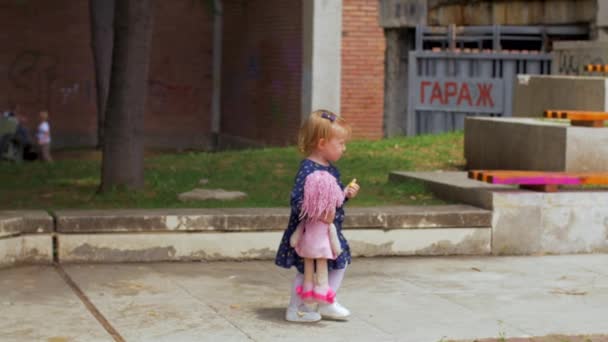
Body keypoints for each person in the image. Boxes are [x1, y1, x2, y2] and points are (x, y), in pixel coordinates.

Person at [275, 109, 360, 323]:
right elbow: (297, 202)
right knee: (306, 271)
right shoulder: (307, 170)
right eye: (340, 143)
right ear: (322, 144)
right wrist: (316, 210)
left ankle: (326, 300)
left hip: (328, 231)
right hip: (311, 234)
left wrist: (345, 195)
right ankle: (296, 309)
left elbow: (333, 199)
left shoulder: (331, 170)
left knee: (340, 262)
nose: (344, 148)